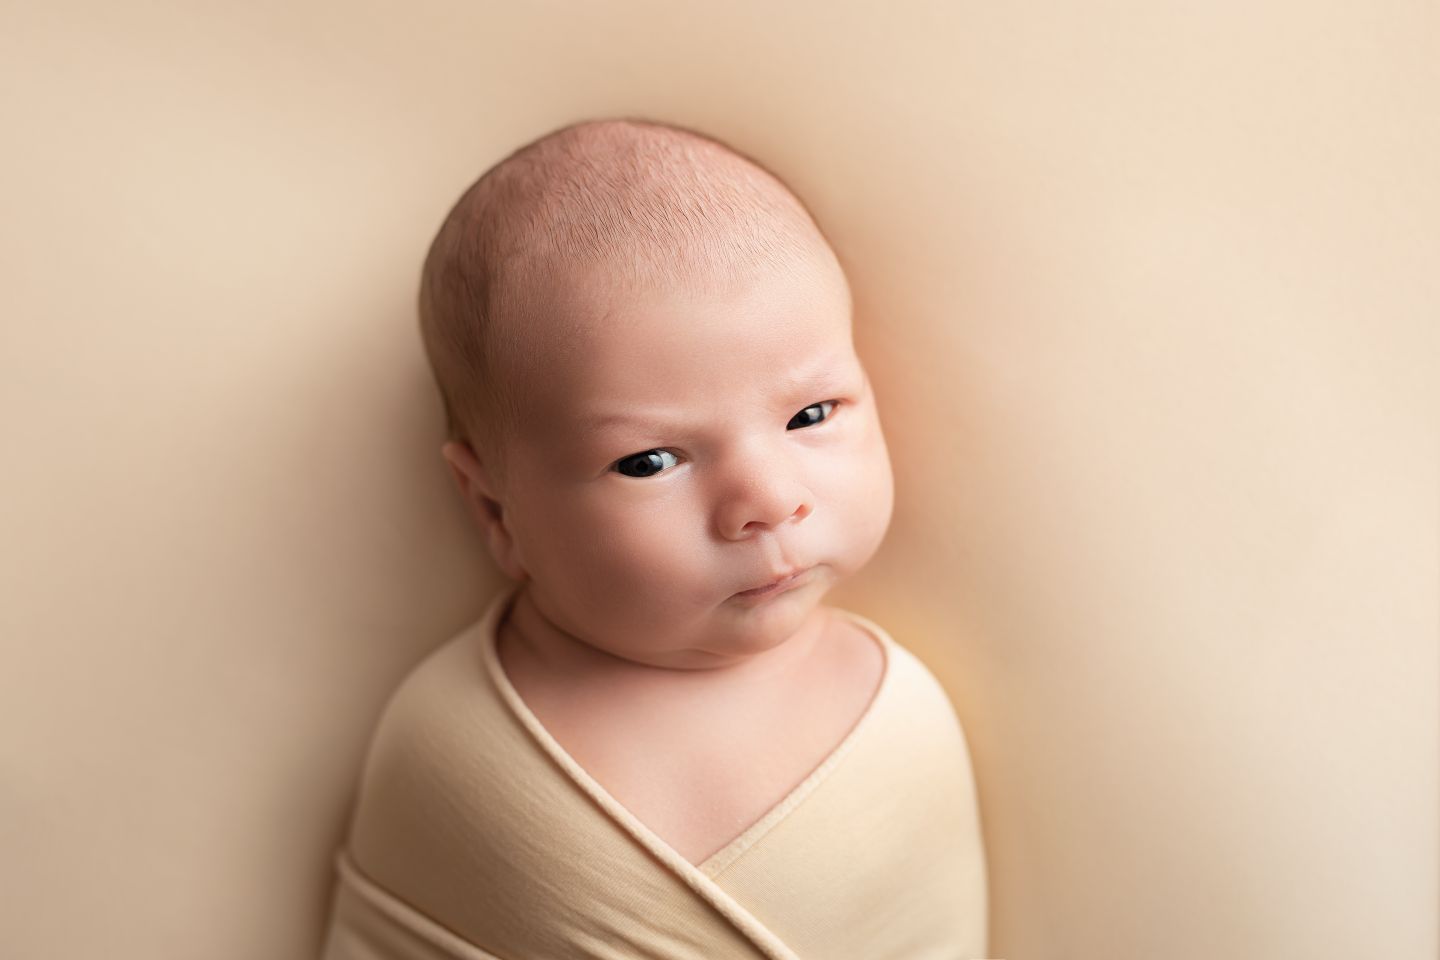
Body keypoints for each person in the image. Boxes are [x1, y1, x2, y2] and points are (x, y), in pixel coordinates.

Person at [320, 117, 988, 960]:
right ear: (493, 509)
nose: (768, 501)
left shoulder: (904, 728)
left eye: (810, 415)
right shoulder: (444, 746)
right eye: (649, 461)